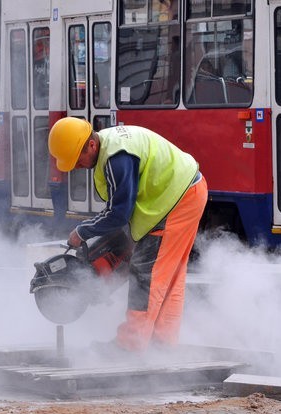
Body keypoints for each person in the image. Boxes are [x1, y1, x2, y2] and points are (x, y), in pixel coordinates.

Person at [48, 117, 208, 352]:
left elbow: (119, 213)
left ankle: (130, 346)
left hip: (176, 200)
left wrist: (82, 232)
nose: (77, 166)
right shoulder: (110, 148)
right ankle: (162, 344)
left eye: (78, 160)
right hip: (187, 193)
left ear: (91, 145)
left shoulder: (117, 158)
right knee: (168, 276)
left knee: (145, 271)